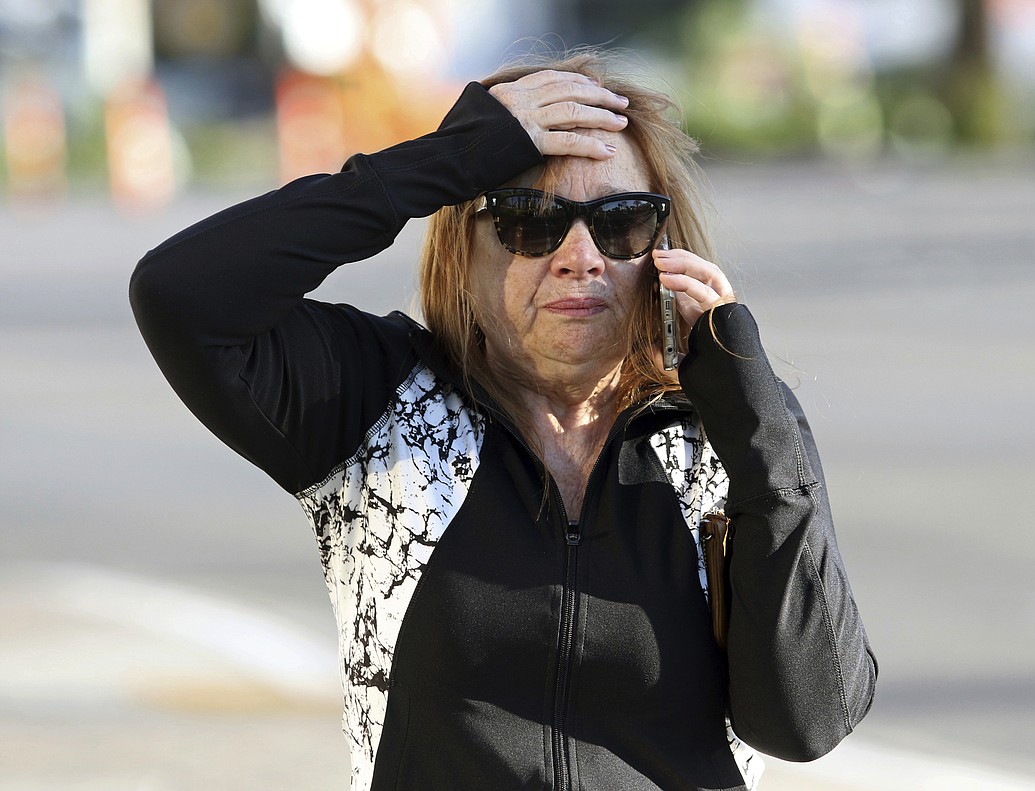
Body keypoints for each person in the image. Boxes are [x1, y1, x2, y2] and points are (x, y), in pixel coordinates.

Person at [130, 49, 876, 791]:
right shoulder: (379, 402)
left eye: (620, 222)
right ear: (465, 248)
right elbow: (179, 294)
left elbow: (806, 721)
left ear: (661, 249)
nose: (580, 256)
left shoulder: (734, 425)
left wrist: (755, 424)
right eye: (530, 221)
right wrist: (449, 159)